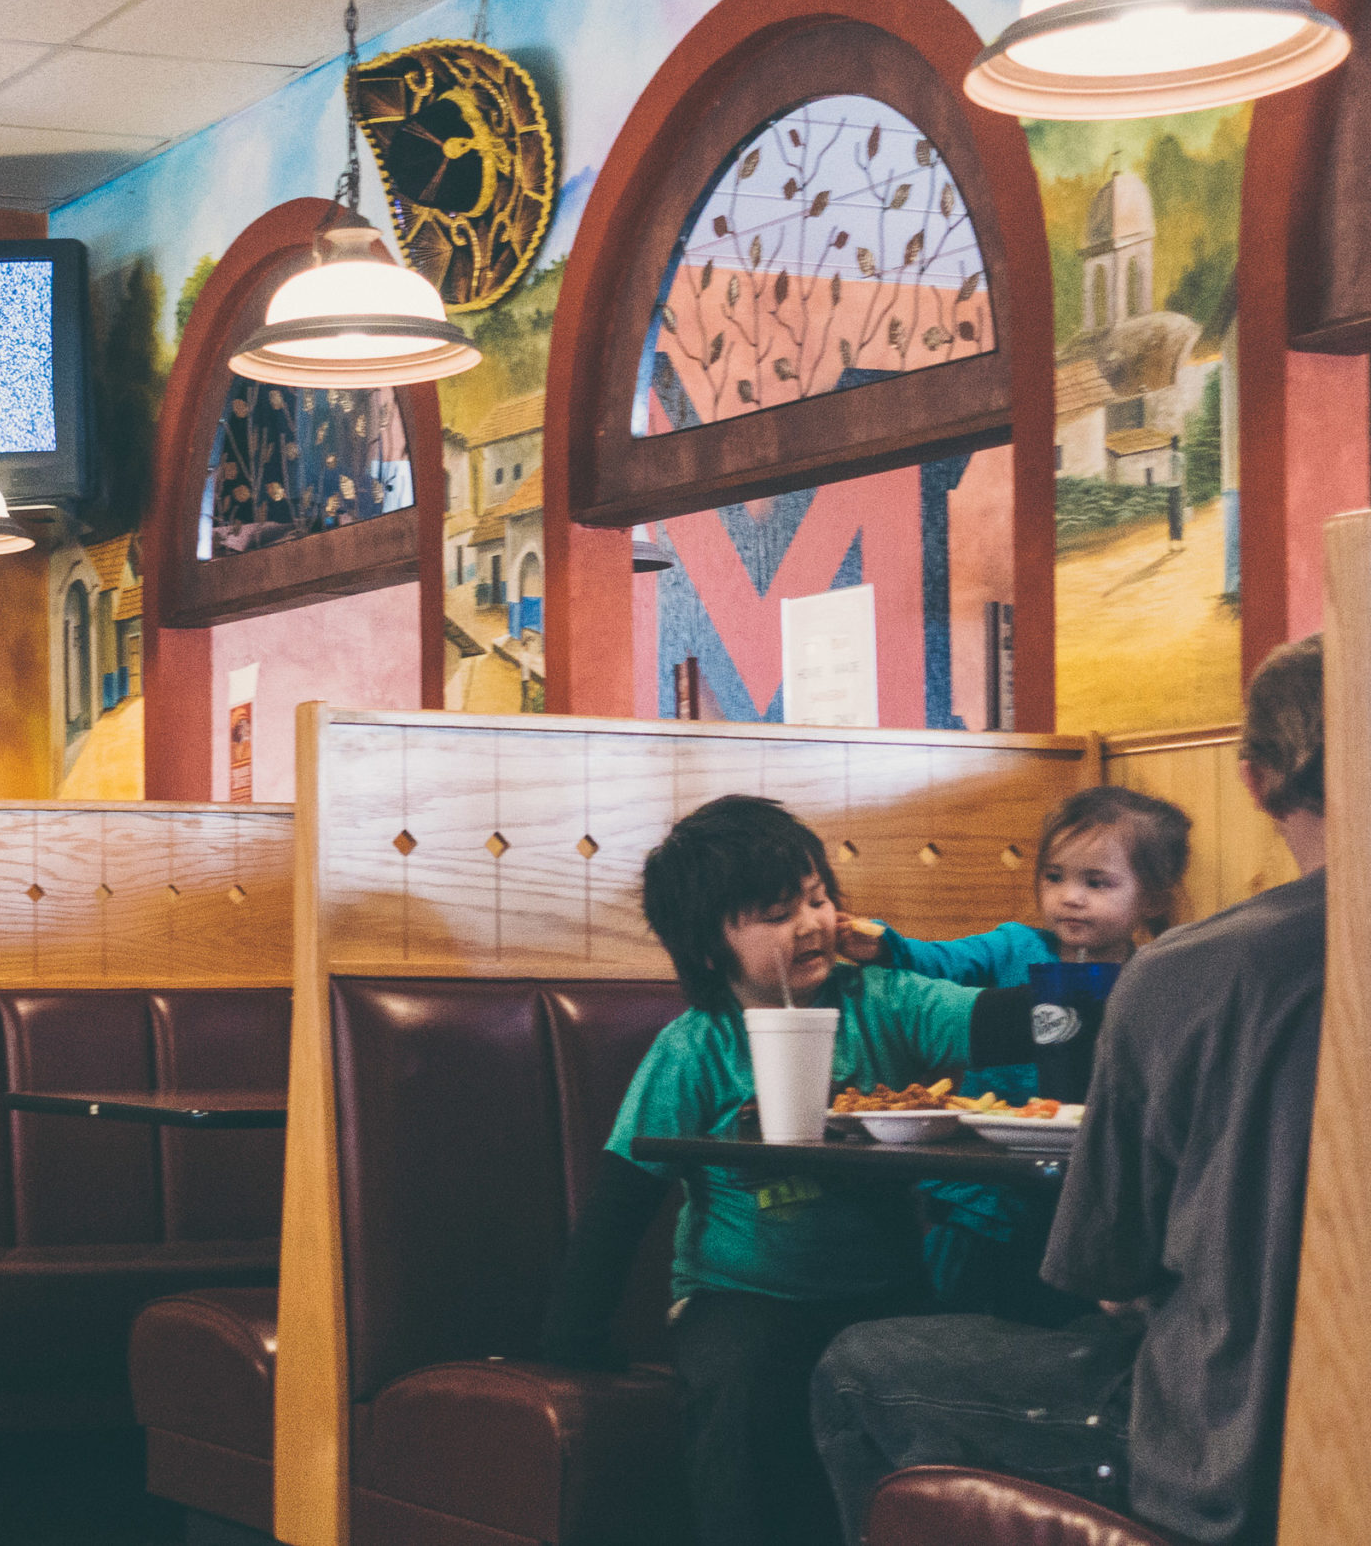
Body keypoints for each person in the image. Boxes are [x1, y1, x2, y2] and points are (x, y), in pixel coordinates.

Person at [813, 637, 1327, 1544]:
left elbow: (1109, 1269)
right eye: (1059, 876)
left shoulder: (1179, 975)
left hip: (1226, 1450)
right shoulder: (1055, 959)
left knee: (858, 1365)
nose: (1070, 899)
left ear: (1251, 779)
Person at [539, 794, 1038, 1546]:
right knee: (744, 1393)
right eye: (777, 912)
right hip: (743, 1296)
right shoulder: (697, 1045)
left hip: (888, 1291)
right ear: (711, 948)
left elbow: (994, 1020)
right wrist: (573, 1338)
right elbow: (624, 1194)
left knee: (959, 1379)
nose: (812, 922)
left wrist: (1097, 997)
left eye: (817, 897)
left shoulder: (883, 1000)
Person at [834, 786, 1193, 1321]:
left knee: (1071, 1322)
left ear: (1153, 898)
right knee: (963, 1318)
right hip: (985, 1188)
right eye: (1055, 876)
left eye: (1097, 883)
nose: (1070, 896)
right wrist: (886, 946)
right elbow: (941, 961)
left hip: (1087, 1187)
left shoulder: (1153, 975)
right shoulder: (1012, 947)